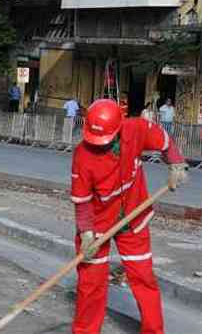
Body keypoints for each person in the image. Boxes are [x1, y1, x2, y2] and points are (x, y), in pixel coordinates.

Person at [70, 99, 188, 334]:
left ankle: (153, 331)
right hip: (97, 224)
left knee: (143, 276)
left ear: (118, 129)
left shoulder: (135, 129)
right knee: (90, 282)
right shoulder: (82, 156)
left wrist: (176, 164)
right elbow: (82, 202)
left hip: (134, 218)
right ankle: (85, 331)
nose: (99, 146)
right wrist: (86, 234)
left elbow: (164, 141)